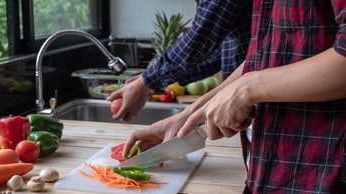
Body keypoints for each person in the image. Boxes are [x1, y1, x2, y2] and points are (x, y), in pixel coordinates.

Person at [123, 0, 346, 194]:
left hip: (318, 190)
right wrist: (188, 115)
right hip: (270, 182)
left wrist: (249, 88)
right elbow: (260, 57)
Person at [107, 0, 252, 121]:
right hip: (247, 103)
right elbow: (217, 56)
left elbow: (200, 37)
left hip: (255, 99)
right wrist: (152, 80)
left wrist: (147, 81)